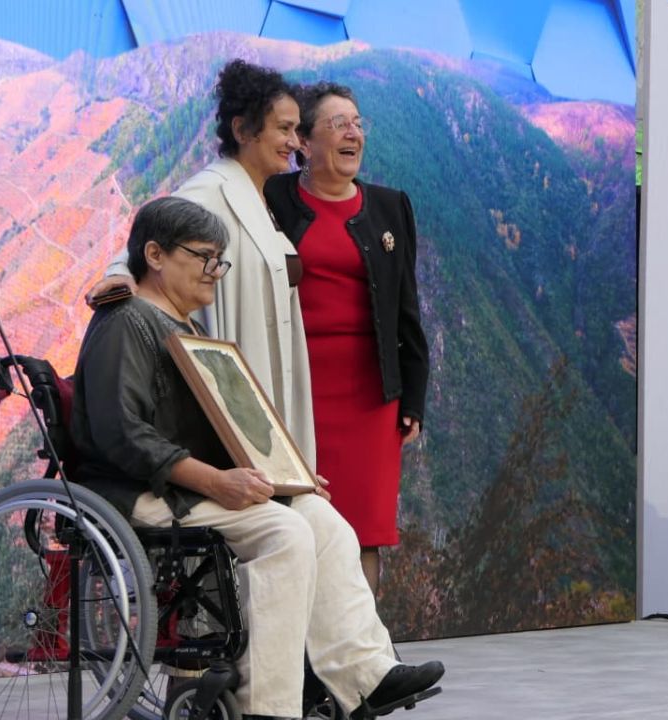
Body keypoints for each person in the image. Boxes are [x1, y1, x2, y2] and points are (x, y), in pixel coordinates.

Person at [71, 196, 444, 720]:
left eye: (218, 259)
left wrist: (286, 475)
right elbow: (121, 434)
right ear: (154, 255)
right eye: (203, 257)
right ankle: (264, 709)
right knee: (284, 535)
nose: (214, 270)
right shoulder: (125, 321)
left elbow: (221, 429)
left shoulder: (185, 328)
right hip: (138, 492)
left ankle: (367, 676)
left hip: (186, 486)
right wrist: (217, 482)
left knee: (322, 521)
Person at [86, 58, 317, 470]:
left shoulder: (258, 196)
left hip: (270, 354)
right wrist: (120, 274)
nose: (294, 141)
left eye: (297, 130)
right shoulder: (213, 188)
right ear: (242, 130)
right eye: (284, 129)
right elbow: (153, 236)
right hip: (243, 352)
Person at [264, 81, 429, 593]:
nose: (353, 132)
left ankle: (363, 642)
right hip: (297, 393)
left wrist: (413, 399)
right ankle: (303, 641)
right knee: (298, 527)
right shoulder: (273, 198)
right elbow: (194, 219)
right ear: (305, 142)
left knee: (364, 532)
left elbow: (406, 308)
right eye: (338, 124)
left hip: (372, 397)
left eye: (358, 123)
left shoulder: (390, 207)